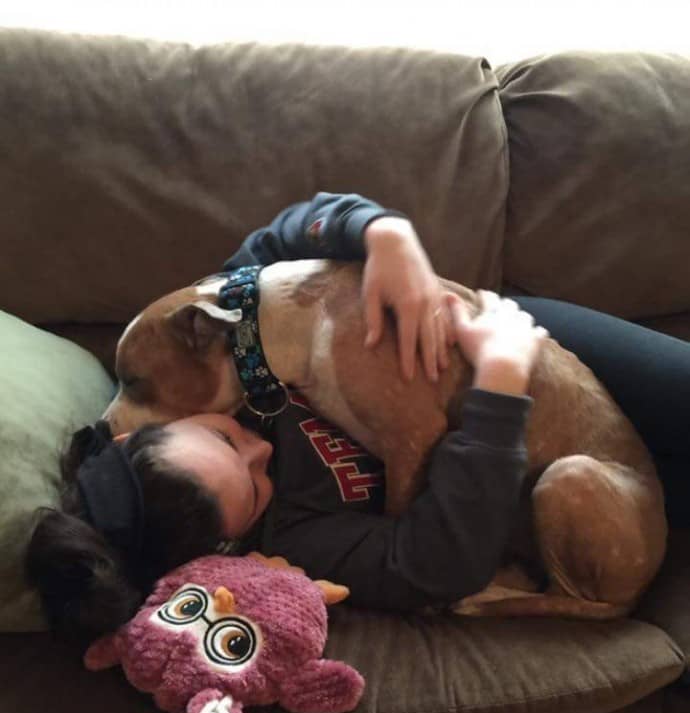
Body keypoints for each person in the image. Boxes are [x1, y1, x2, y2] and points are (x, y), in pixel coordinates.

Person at [25, 193, 690, 648]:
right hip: (513, 421)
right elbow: (434, 567)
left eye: (223, 435)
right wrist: (500, 381)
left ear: (149, 431)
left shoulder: (213, 340)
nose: (262, 448)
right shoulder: (298, 534)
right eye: (253, 486)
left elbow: (292, 232)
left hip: (515, 337)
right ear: (230, 549)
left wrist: (383, 234)